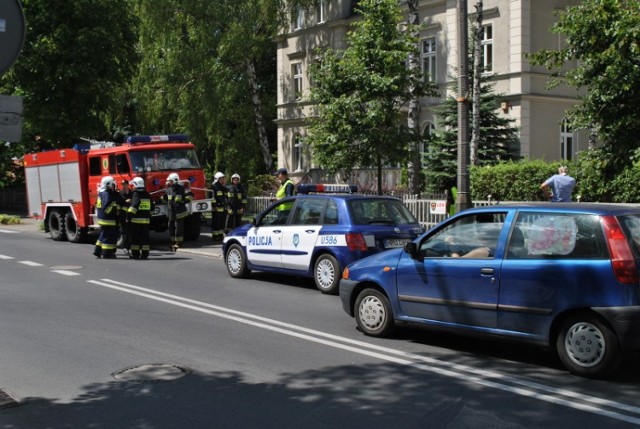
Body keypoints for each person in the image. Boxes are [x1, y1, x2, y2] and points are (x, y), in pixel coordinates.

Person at [161, 172, 193, 251]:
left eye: (170, 181)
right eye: (169, 181)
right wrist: (160, 200)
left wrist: (183, 201)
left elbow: (189, 196)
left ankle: (179, 243)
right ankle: (173, 242)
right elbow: (164, 198)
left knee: (178, 228)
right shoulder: (169, 189)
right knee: (171, 226)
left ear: (174, 180)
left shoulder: (181, 188)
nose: (169, 182)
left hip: (180, 212)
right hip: (172, 212)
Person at [93, 176, 121, 259]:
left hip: (103, 219)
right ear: (108, 184)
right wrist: (115, 211)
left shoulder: (102, 193)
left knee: (103, 235)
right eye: (113, 184)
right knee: (107, 237)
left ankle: (97, 251)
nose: (114, 185)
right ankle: (106, 254)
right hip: (108, 220)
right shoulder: (106, 194)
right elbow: (106, 208)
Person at [126, 177, 154, 260]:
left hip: (136, 221)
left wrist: (129, 215)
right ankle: (145, 254)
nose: (132, 187)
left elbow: (135, 205)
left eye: (133, 185)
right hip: (146, 221)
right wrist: (148, 215)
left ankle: (135, 254)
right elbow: (152, 208)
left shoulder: (135, 194)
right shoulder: (147, 194)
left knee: (135, 238)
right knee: (145, 238)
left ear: (135, 185)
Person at [211, 172, 228, 241]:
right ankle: (215, 236)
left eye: (223, 179)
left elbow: (227, 194)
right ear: (217, 179)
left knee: (222, 223)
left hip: (223, 208)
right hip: (216, 208)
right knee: (216, 223)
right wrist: (214, 206)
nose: (223, 180)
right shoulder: (214, 187)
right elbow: (212, 198)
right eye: (221, 179)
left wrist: (224, 186)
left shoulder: (222, 187)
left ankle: (220, 235)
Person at [118, 179, 133, 252]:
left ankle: (131, 246)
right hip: (123, 215)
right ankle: (126, 247)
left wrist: (132, 200)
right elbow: (118, 203)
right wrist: (125, 201)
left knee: (131, 231)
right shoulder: (120, 193)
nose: (123, 186)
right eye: (122, 185)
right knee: (124, 232)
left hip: (131, 215)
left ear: (128, 185)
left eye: (124, 184)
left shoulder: (132, 193)